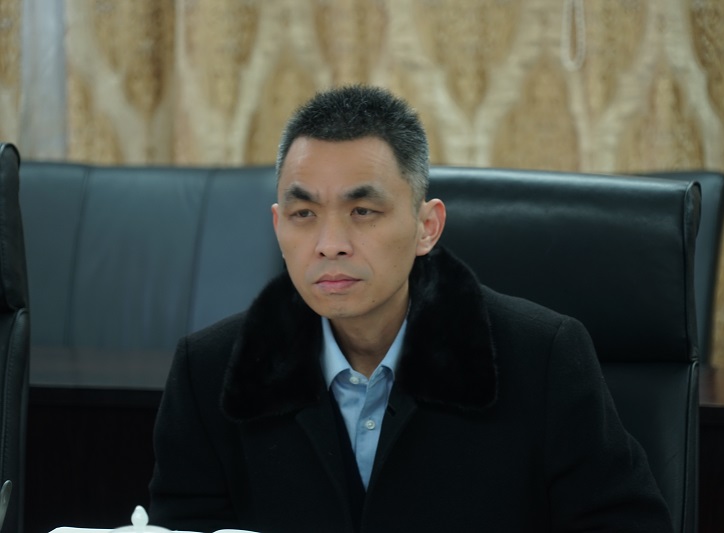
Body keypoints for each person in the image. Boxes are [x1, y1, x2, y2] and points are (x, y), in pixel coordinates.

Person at [148, 85, 673, 532]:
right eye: (303, 213)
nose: (329, 244)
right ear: (277, 226)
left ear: (427, 227)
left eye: (363, 211)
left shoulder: (543, 358)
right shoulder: (209, 371)